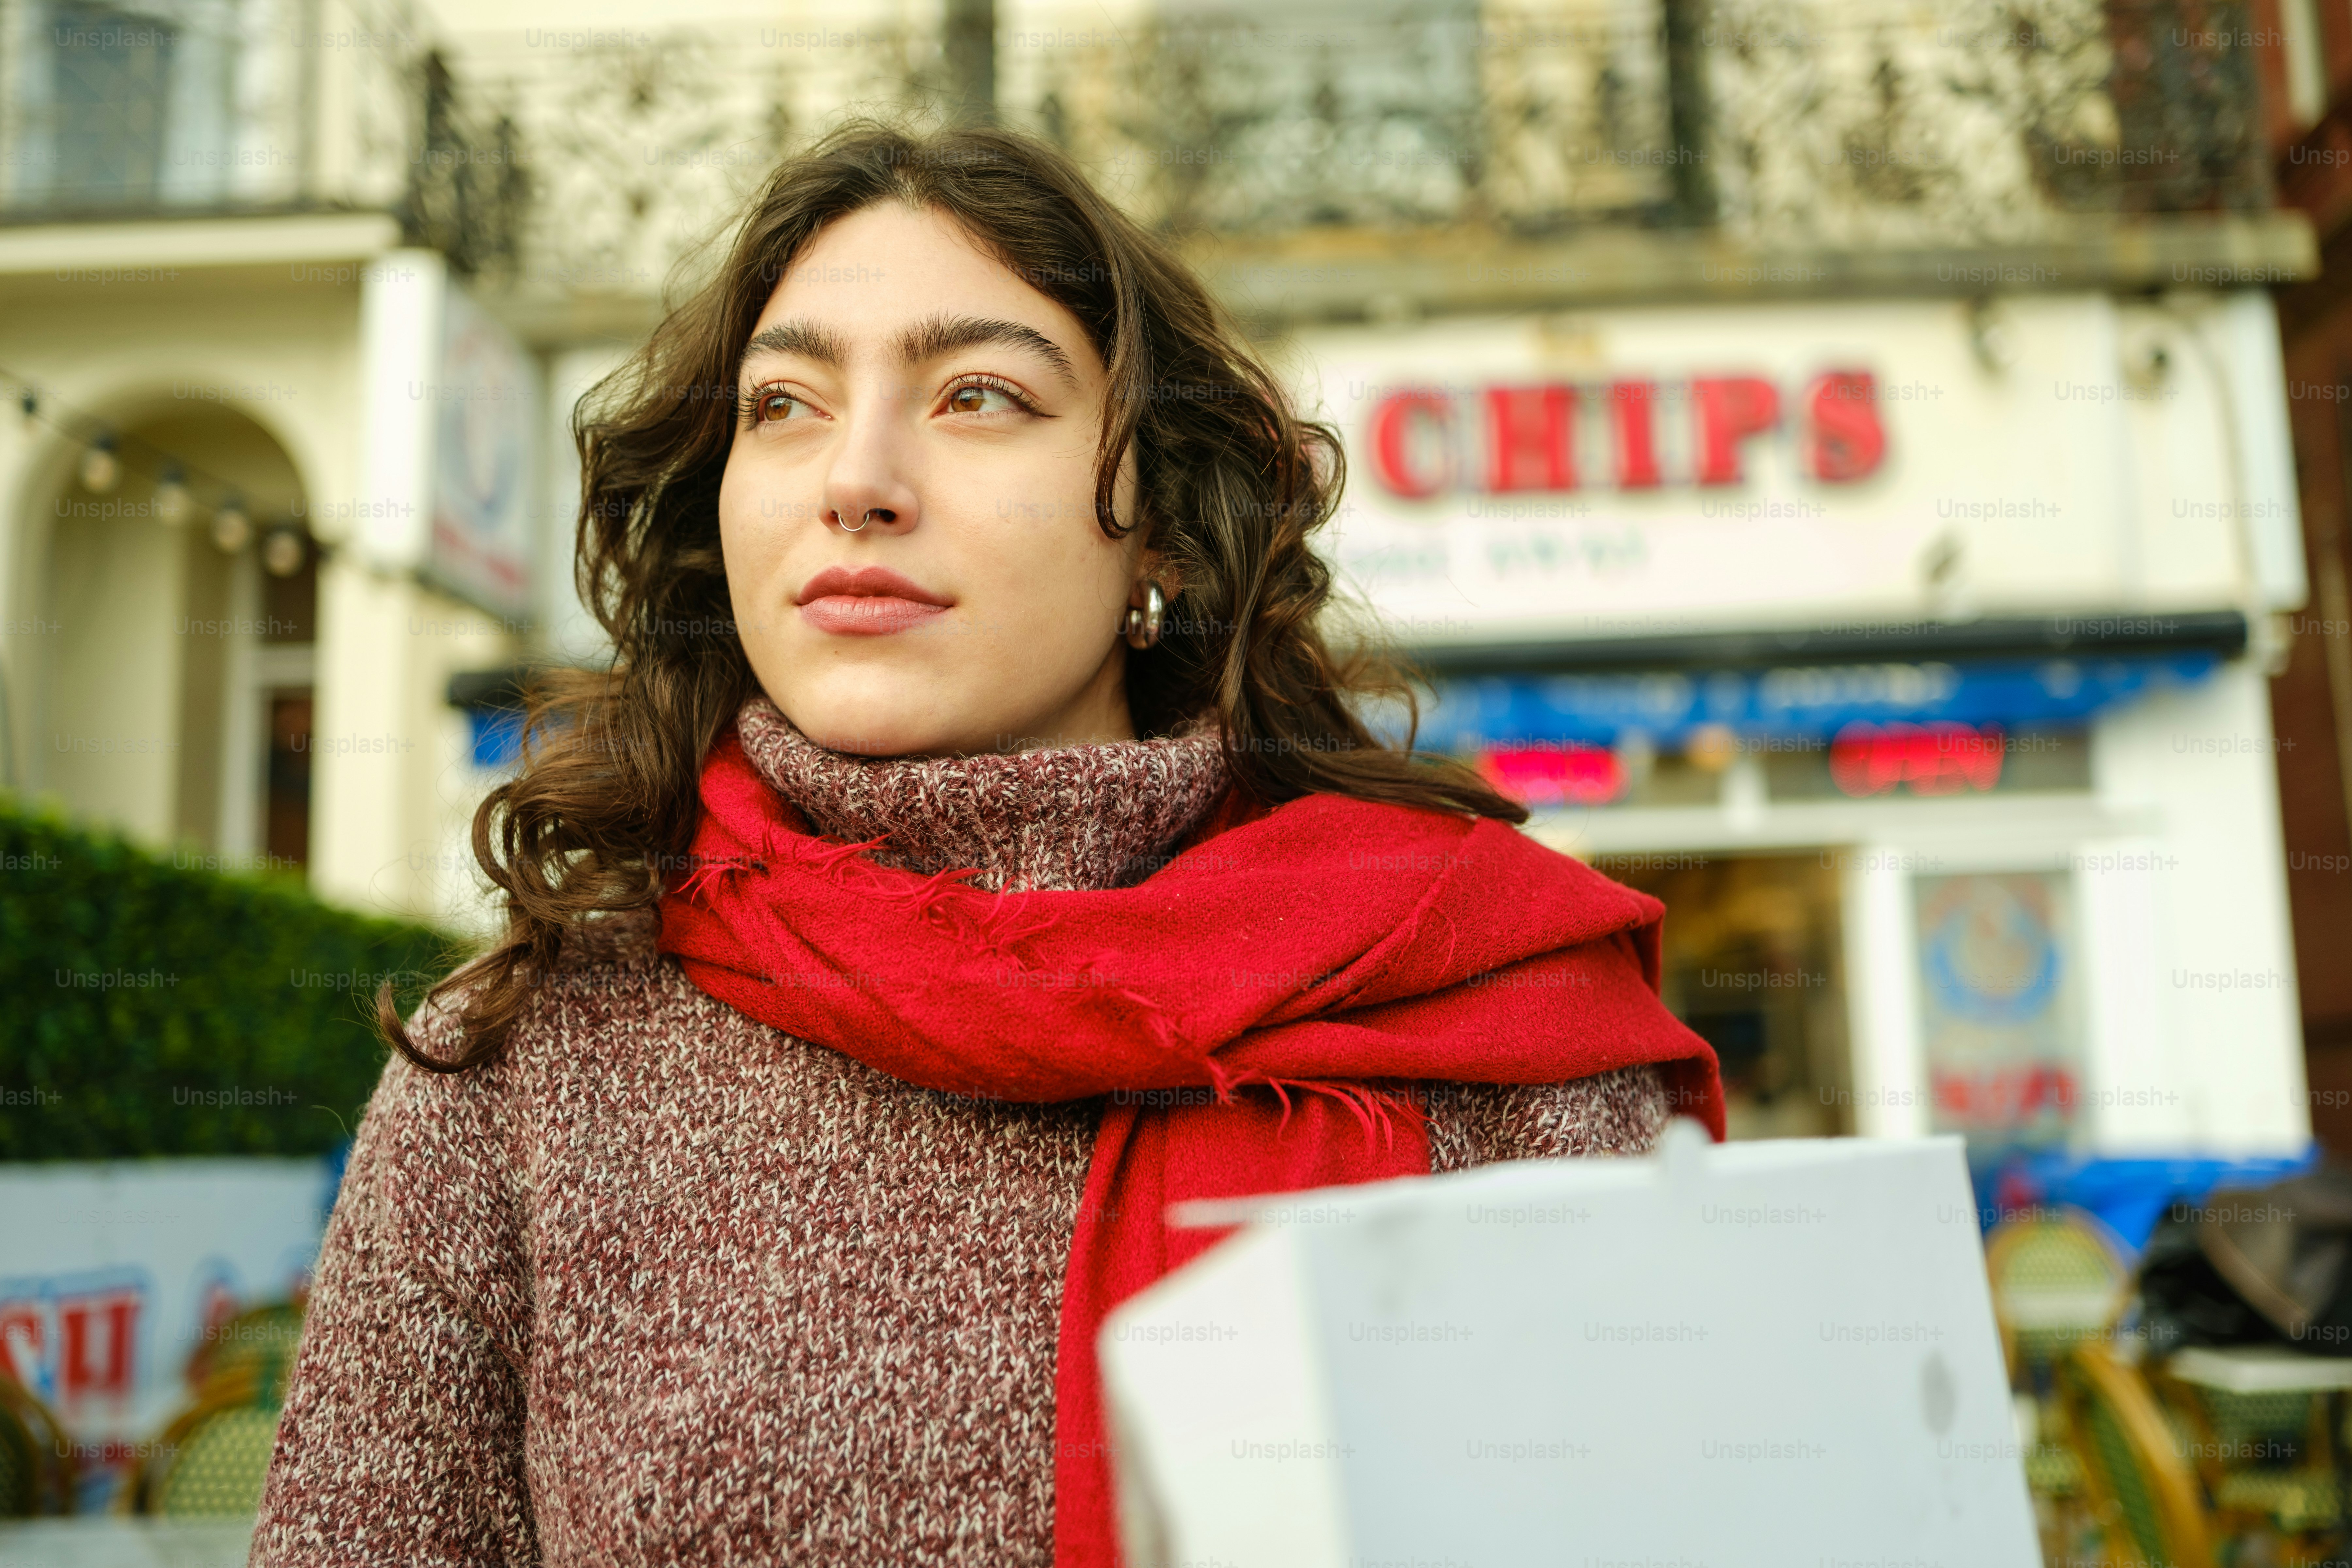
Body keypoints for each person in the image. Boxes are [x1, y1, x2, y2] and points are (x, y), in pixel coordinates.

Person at [251, 120, 1721, 1567]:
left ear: (1160, 528)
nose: (860, 477)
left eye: (979, 397)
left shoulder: (1486, 1012)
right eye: (785, 404)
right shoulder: (519, 1072)